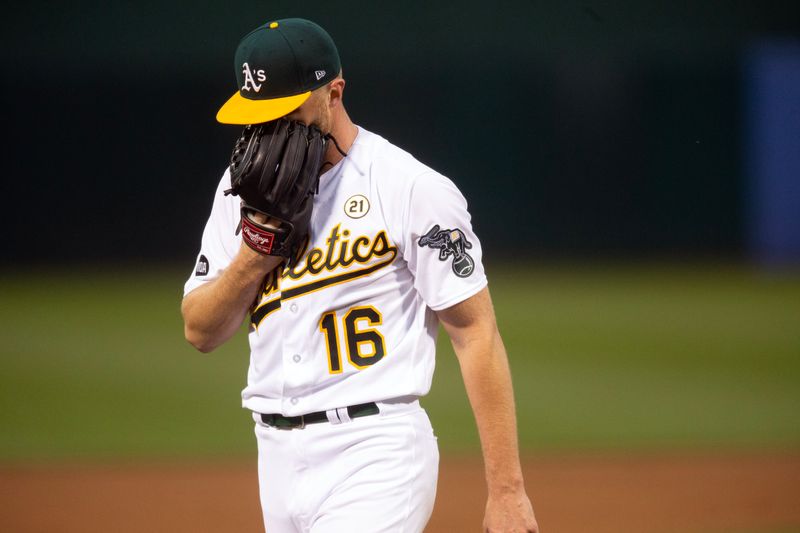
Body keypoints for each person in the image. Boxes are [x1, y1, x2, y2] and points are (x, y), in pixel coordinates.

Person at [181, 17, 539, 533]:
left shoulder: (409, 187)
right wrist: (252, 258)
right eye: (256, 113)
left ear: (334, 92)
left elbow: (474, 331)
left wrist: (507, 491)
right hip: (275, 458)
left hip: (377, 449)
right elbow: (200, 331)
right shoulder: (240, 190)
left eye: (284, 110)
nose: (266, 127)